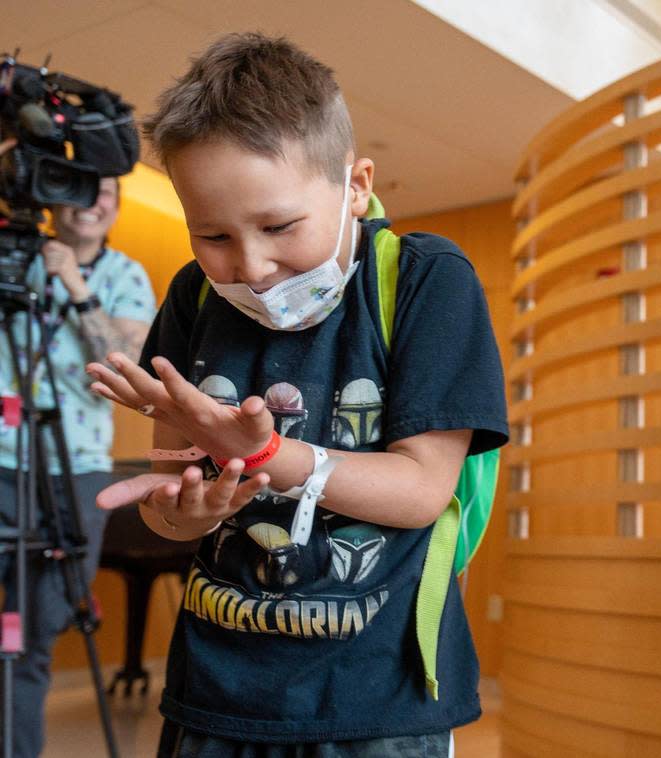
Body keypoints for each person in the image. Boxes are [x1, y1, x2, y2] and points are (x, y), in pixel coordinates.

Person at [85, 33, 508, 757]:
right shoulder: (194, 295)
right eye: (211, 233)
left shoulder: (425, 280)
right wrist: (183, 513)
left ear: (356, 185)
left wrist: (271, 455)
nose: (250, 266)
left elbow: (419, 492)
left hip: (376, 702)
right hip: (214, 698)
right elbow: (170, 500)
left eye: (280, 226)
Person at [0, 168, 156, 756]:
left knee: (38, 629)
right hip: (2, 457)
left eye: (106, 193)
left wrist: (73, 282)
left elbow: (126, 364)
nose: (92, 203)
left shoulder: (125, 276)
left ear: (116, 208)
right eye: (79, 190)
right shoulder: (14, 260)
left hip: (78, 464)